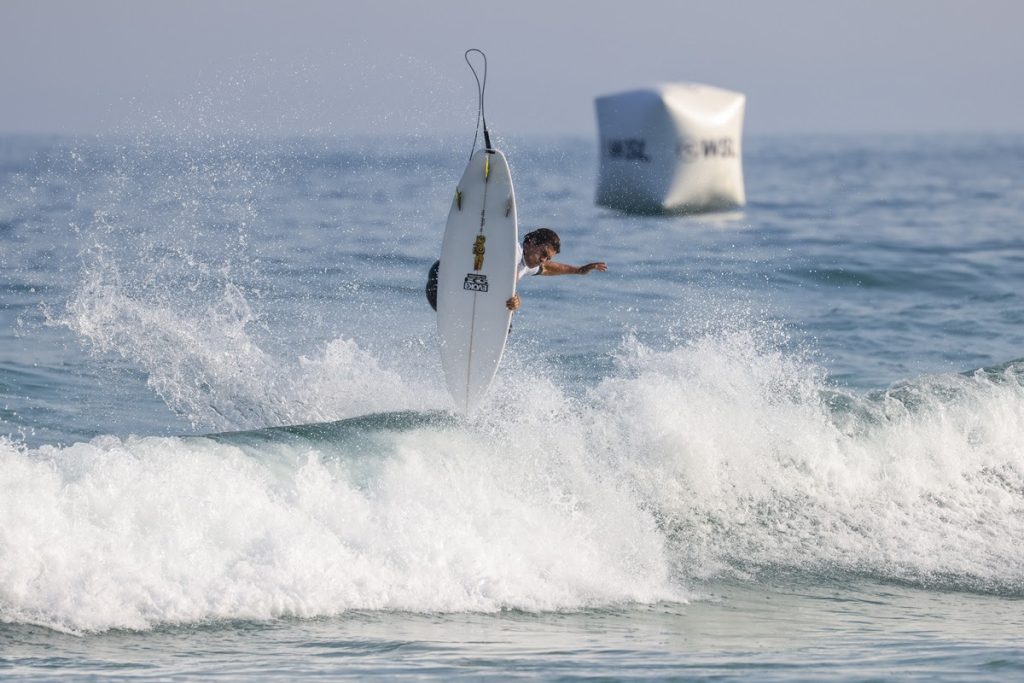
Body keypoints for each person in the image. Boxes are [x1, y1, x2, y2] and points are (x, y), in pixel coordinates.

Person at [425, 228, 606, 312]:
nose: (543, 260)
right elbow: (503, 275)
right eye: (543, 253)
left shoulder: (528, 264)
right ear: (529, 243)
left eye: (548, 257)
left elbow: (547, 268)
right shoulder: (512, 250)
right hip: (441, 277)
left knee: (506, 322)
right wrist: (513, 296)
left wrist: (578, 270)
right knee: (506, 308)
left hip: (464, 291)